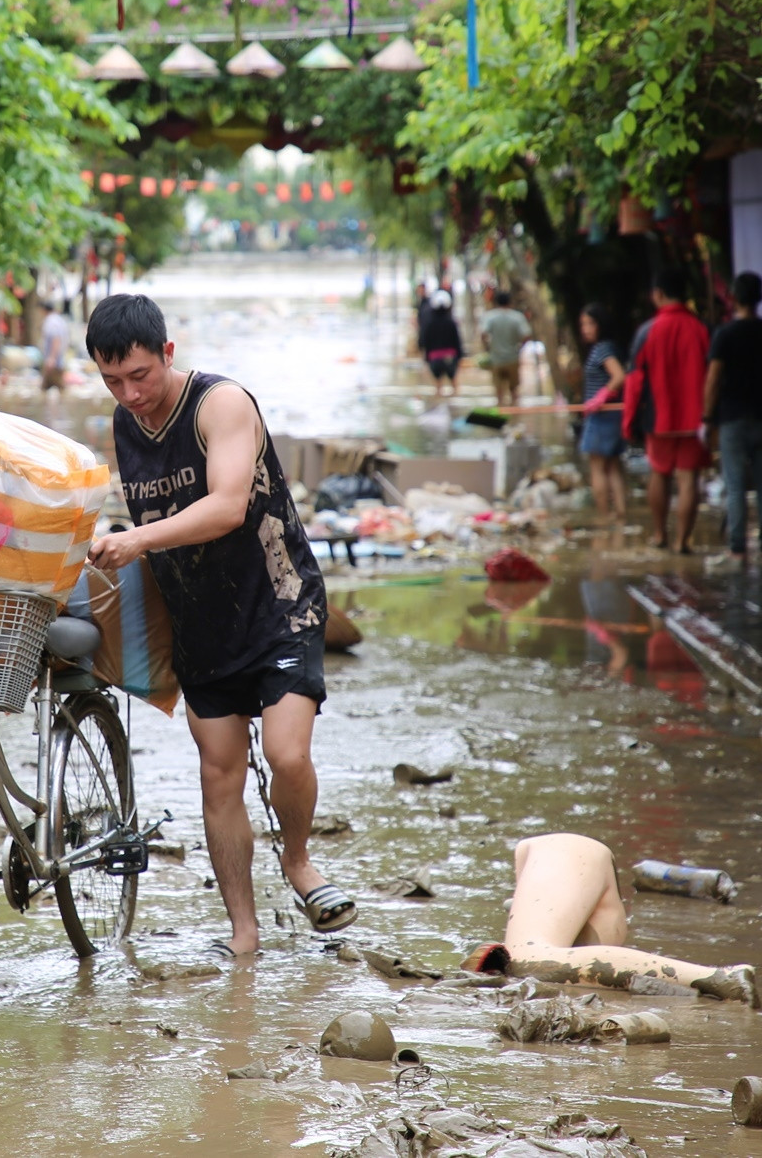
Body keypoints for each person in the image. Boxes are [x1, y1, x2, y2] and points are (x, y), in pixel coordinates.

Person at [84, 294, 354, 959]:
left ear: (168, 354)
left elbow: (228, 506)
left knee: (288, 754)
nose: (130, 394)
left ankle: (296, 858)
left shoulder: (221, 404)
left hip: (278, 601)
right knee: (218, 773)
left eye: (141, 375)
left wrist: (136, 541)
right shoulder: (124, 424)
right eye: (112, 382)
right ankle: (244, 932)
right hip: (200, 617)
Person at [459, 833, 759, 1006]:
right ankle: (709, 983)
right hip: (583, 904)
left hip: (565, 853)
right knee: (543, 968)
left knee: (528, 960)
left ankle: (720, 979)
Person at [704, 272, 762, 558]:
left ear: (733, 298)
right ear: (760, 297)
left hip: (732, 419)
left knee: (735, 486)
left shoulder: (724, 335)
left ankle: (737, 548)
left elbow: (713, 381)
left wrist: (707, 418)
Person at [622, 271, 710, 553]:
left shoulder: (647, 331)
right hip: (695, 420)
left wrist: (629, 421)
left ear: (657, 294)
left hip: (658, 420)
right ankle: (683, 541)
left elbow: (634, 381)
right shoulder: (701, 329)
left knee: (659, 475)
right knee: (689, 480)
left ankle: (660, 535)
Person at [576, 304, 627, 522]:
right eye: (583, 324)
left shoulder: (602, 349)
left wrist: (600, 397)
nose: (585, 329)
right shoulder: (608, 347)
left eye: (590, 323)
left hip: (603, 415)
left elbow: (619, 375)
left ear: (601, 325)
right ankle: (621, 515)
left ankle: (604, 516)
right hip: (612, 415)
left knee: (597, 467)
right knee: (613, 466)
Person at [481, 290, 532, 408]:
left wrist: (488, 348)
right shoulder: (517, 317)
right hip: (513, 358)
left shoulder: (490, 317)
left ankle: (501, 419)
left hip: (496, 359)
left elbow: (483, 334)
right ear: (510, 302)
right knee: (514, 392)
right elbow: (527, 336)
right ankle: (516, 419)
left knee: (499, 395)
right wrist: (520, 347)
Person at [419, 289, 463, 397]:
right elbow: (457, 341)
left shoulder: (429, 324)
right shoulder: (451, 323)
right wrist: (460, 356)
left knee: (438, 389)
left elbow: (425, 341)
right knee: (455, 387)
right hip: (450, 358)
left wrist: (427, 357)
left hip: (435, 358)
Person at [39, 302, 72, 392]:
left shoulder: (51, 322)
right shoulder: (60, 320)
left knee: (55, 387)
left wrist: (51, 358)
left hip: (54, 362)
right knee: (52, 388)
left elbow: (56, 339)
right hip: (59, 361)